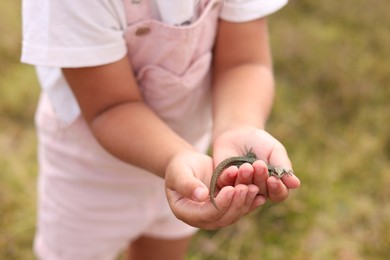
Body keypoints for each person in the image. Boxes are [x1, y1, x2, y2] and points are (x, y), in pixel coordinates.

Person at [21, 0, 301, 259]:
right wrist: (173, 159)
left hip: (193, 164)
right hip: (89, 171)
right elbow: (110, 107)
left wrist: (239, 125)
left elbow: (243, 62)